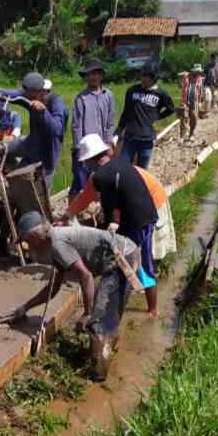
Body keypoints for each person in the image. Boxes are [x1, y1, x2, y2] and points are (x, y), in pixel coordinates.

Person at [5, 211, 140, 381]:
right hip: (120, 257)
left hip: (123, 260)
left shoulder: (57, 244)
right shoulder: (53, 244)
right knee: (107, 317)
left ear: (35, 236)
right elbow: (53, 287)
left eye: (26, 241)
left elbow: (86, 276)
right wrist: (25, 308)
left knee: (98, 321)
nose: (27, 246)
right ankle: (105, 351)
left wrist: (87, 313)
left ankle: (97, 380)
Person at [57, 134, 162, 316]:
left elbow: (109, 211)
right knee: (140, 262)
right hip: (147, 215)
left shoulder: (101, 176)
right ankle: (150, 309)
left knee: (132, 264)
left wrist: (102, 233)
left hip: (136, 221)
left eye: (86, 162)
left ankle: (120, 311)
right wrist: (68, 215)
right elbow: (89, 198)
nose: (86, 165)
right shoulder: (121, 163)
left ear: (91, 159)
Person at [0, 72, 68, 189]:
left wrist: (43, 112)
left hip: (48, 155)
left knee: (38, 192)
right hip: (30, 144)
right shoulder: (28, 96)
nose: (26, 96)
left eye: (28, 94)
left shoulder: (56, 103)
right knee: (0, 150)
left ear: (39, 91)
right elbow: (8, 94)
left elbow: (57, 130)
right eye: (25, 93)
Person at [115, 62, 179, 169]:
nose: (143, 79)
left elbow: (170, 109)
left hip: (147, 139)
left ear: (154, 78)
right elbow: (126, 112)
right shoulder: (132, 91)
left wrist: (157, 117)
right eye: (142, 75)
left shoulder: (161, 93)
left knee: (142, 170)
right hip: (130, 137)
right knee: (123, 167)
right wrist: (119, 129)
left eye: (147, 77)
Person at [70, 59, 115, 201]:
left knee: (102, 181)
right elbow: (76, 126)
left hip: (102, 146)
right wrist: (79, 148)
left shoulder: (108, 95)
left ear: (101, 75)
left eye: (96, 74)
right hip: (86, 148)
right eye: (89, 74)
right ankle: (75, 209)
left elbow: (110, 122)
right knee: (80, 182)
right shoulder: (81, 98)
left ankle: (98, 207)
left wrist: (109, 143)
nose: (93, 77)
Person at [180, 64, 204, 142]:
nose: (198, 73)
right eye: (197, 71)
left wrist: (200, 102)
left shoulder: (200, 79)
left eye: (199, 72)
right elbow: (180, 86)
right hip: (185, 101)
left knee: (194, 119)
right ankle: (182, 136)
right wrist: (181, 78)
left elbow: (200, 90)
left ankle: (191, 134)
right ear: (194, 71)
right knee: (184, 118)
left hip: (195, 101)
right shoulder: (186, 77)